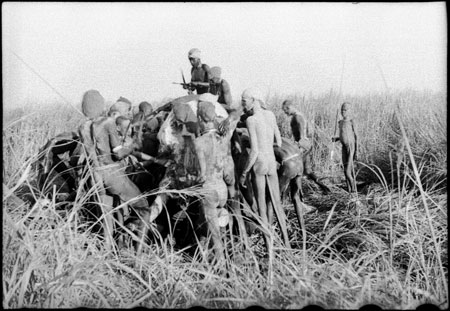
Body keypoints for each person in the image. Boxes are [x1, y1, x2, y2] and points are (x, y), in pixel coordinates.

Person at [90, 98, 157, 253]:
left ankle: (110, 250)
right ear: (118, 128)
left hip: (97, 174)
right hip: (113, 175)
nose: (130, 131)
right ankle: (138, 254)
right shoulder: (110, 127)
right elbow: (120, 154)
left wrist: (153, 159)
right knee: (144, 208)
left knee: (110, 213)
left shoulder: (87, 126)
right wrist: (131, 146)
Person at [239, 87, 291, 251]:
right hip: (271, 163)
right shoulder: (270, 115)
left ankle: (269, 250)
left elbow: (254, 151)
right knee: (277, 204)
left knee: (262, 208)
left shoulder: (251, 120)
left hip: (260, 164)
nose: (243, 105)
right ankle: (287, 246)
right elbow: (279, 140)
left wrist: (244, 172)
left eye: (244, 101)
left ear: (253, 100)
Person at [281, 99, 331, 194]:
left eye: (285, 110)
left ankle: (295, 195)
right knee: (307, 171)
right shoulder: (298, 116)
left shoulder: (297, 117)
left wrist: (299, 145)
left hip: (302, 146)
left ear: (288, 107)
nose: (285, 113)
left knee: (295, 170)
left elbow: (302, 134)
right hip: (305, 145)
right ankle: (324, 187)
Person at [332, 102, 358, 193]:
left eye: (345, 110)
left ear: (350, 111)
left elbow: (356, 136)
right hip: (344, 147)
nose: (343, 112)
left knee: (348, 171)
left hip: (351, 147)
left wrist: (356, 151)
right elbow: (343, 135)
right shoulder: (340, 122)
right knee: (345, 169)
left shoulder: (351, 121)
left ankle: (354, 190)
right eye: (342, 110)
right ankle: (349, 190)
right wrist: (336, 139)